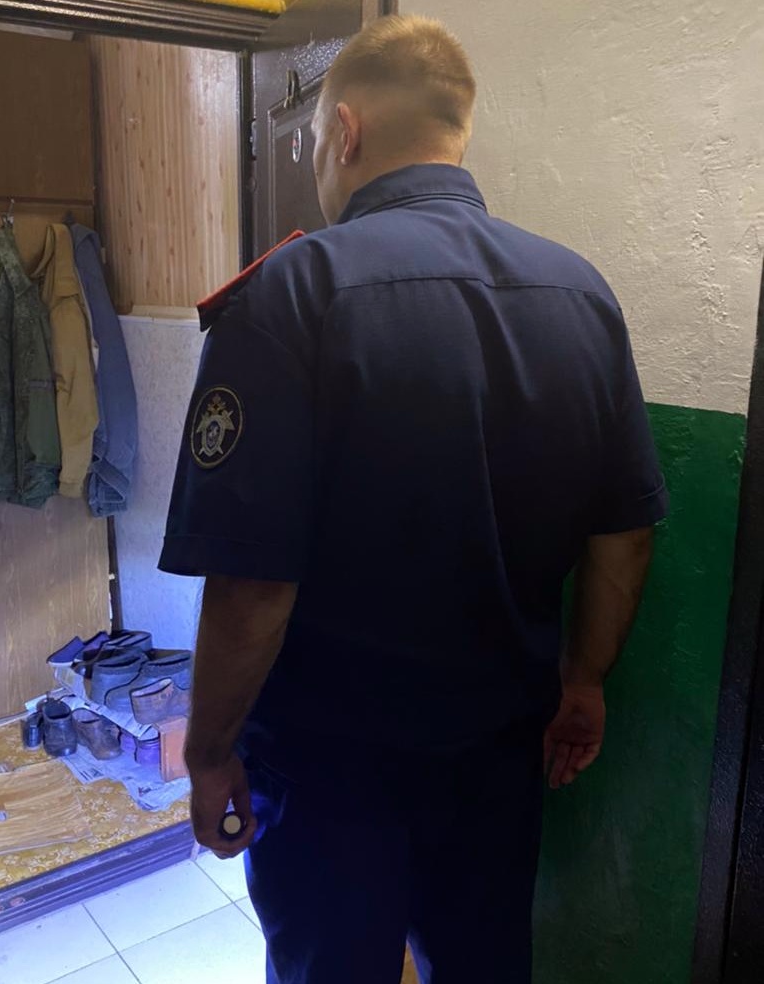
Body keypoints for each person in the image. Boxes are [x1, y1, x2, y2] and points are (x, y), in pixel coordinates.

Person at [159, 14, 667, 984]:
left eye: (316, 140)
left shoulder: (293, 295)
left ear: (345, 131)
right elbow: (623, 535)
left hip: (331, 772)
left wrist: (211, 749)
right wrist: (585, 681)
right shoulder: (581, 296)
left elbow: (254, 586)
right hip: (499, 755)